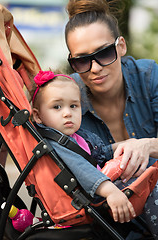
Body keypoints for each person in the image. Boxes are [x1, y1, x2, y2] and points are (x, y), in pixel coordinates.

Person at [64, 0, 158, 237]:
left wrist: (146, 145)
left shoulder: (149, 77)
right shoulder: (65, 102)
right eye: (82, 60)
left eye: (104, 53)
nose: (95, 68)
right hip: (111, 219)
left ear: (121, 46)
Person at [30, 70, 136, 227]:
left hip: (103, 188)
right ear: (38, 116)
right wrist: (111, 192)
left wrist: (125, 145)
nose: (67, 113)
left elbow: (97, 153)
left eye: (73, 106)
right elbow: (82, 169)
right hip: (94, 197)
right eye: (57, 107)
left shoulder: (76, 137)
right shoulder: (55, 144)